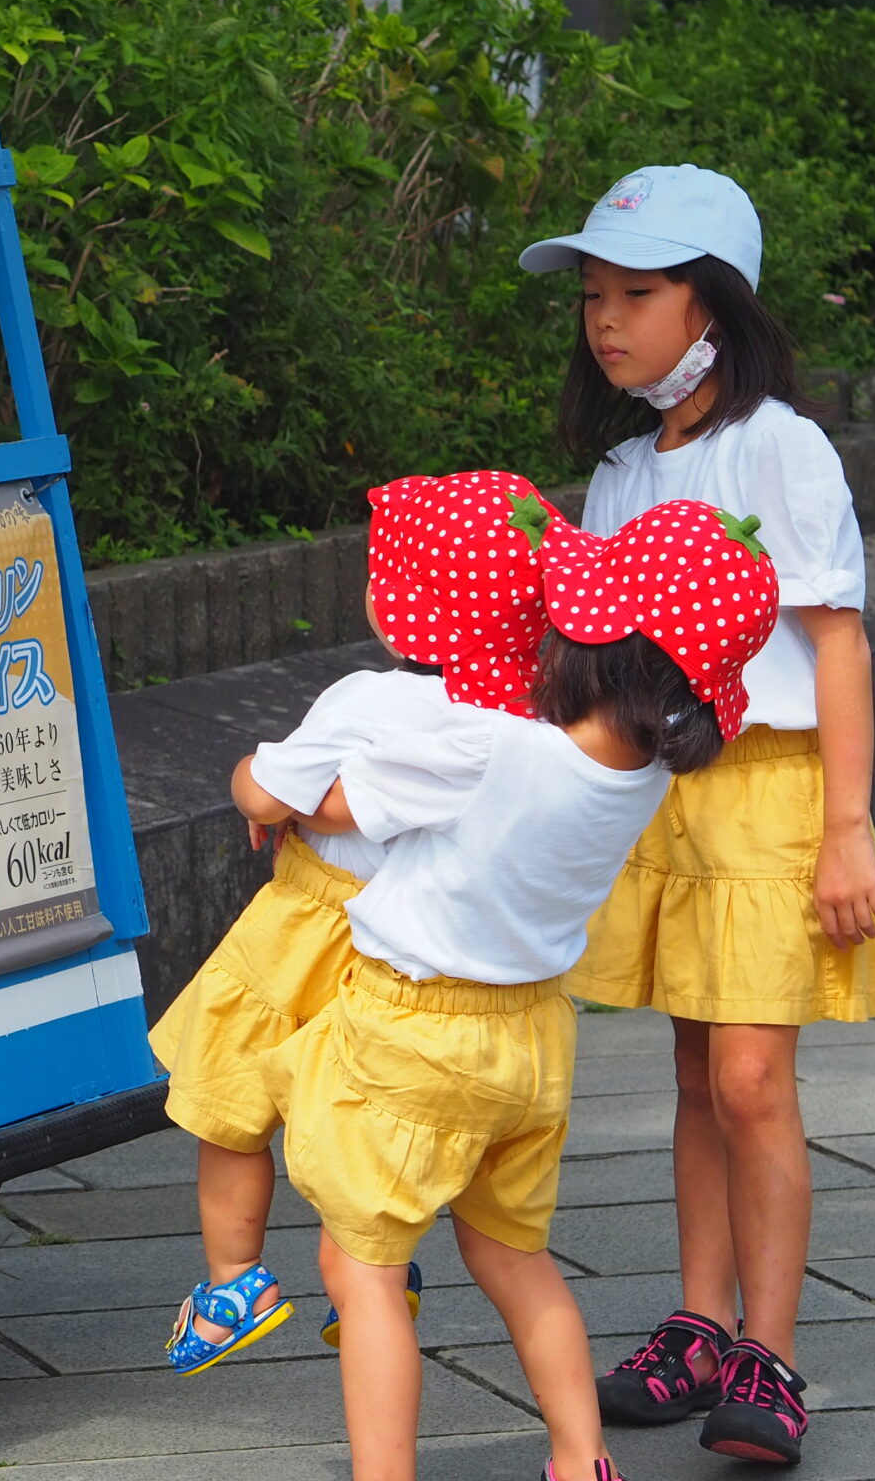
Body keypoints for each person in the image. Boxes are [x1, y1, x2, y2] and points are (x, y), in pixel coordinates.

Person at [518, 166, 875, 1464]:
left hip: (771, 798)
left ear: (717, 307)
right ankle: (699, 1325)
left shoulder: (780, 446)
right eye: (594, 296)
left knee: (752, 1079)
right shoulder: (624, 468)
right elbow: (600, 671)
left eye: (638, 292)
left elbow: (839, 640)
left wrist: (848, 823)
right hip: (666, 800)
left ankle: (773, 1353)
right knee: (694, 1073)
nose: (606, 319)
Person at [265, 500, 782, 1481]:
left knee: (361, 1269)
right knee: (514, 1258)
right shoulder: (639, 780)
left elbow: (326, 805)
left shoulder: (489, 747)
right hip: (532, 1045)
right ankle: (581, 1459)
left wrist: (266, 786)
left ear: (595, 639)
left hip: (416, 1032)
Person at [151, 469, 577, 1375]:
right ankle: (384, 1267)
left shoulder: (367, 701)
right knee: (375, 1118)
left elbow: (265, 788)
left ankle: (233, 1279)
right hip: (413, 959)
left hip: (308, 929)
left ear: (398, 603)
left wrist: (256, 795)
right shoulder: (530, 717)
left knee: (233, 1091)